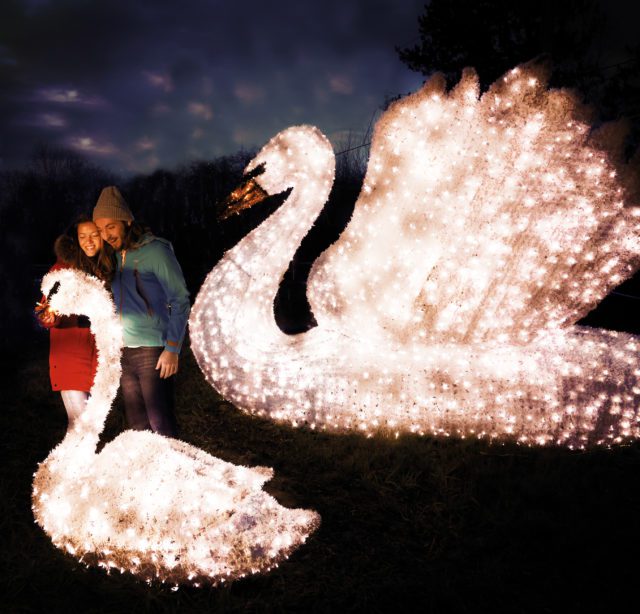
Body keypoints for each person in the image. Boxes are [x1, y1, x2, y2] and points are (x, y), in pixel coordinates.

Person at [93, 186, 190, 437]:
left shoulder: (156, 251)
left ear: (126, 220)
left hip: (152, 349)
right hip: (123, 349)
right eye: (101, 230)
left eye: (110, 227)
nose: (106, 235)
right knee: (137, 426)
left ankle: (173, 472)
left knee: (161, 423)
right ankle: (149, 474)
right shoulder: (112, 257)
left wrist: (172, 349)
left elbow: (180, 299)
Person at [36, 217, 115, 431]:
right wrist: (49, 317)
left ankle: (74, 464)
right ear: (75, 241)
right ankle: (74, 464)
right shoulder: (62, 271)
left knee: (91, 426)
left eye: (94, 235)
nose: (89, 241)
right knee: (81, 425)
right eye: (82, 236)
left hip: (99, 358)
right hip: (71, 355)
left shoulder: (107, 268)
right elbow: (48, 307)